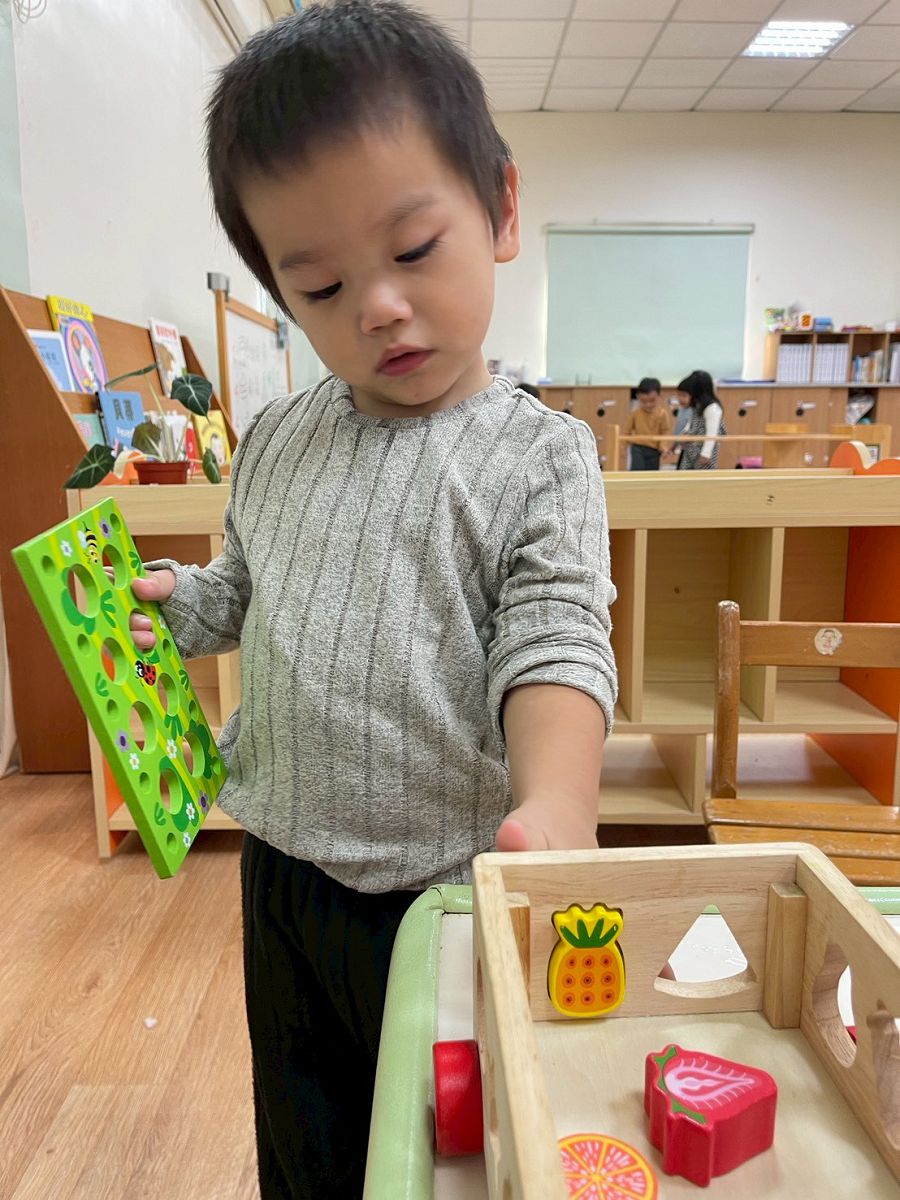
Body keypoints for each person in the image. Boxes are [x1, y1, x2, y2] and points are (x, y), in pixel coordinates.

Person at [124, 4, 617, 1196]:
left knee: (438, 1155)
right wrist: (182, 603)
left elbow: (554, 639)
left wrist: (558, 801)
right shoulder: (277, 438)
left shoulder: (538, 457)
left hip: (444, 886)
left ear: (501, 209)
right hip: (283, 872)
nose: (378, 306)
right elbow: (250, 589)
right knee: (304, 1140)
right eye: (322, 284)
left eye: (414, 250)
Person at [676, 370, 726, 470]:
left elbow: (712, 433)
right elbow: (691, 422)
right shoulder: (697, 405)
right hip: (691, 449)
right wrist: (685, 433)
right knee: (685, 474)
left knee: (702, 476)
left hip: (703, 452)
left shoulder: (712, 408)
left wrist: (706, 453)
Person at [626, 376, 672, 470]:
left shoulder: (662, 414)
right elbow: (627, 430)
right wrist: (623, 447)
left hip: (654, 449)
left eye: (652, 401)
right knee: (637, 472)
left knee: (651, 473)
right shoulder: (635, 413)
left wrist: (663, 447)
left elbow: (665, 432)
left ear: (659, 396)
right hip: (638, 448)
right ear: (638, 397)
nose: (648, 405)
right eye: (643, 401)